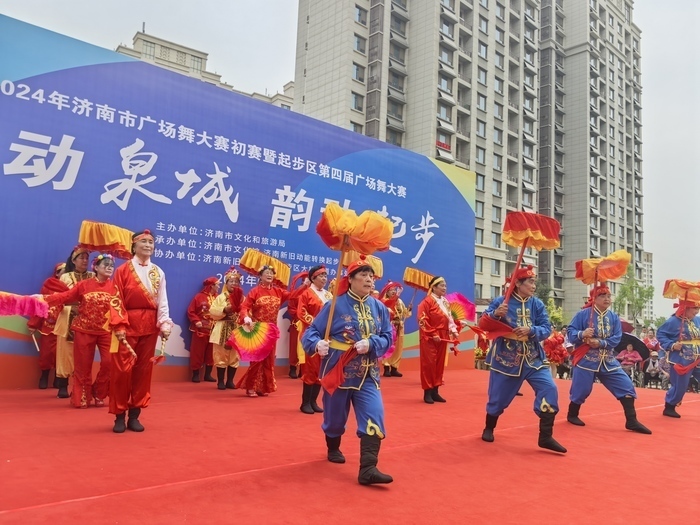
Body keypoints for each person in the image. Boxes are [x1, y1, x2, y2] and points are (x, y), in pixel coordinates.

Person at [301, 256, 394, 485]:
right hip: (339, 371)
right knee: (334, 421)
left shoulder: (379, 308)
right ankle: (333, 447)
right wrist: (317, 344)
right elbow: (311, 332)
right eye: (363, 275)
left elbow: (387, 336)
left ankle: (368, 468)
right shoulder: (334, 305)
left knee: (374, 414)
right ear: (350, 279)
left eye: (371, 276)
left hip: (368, 373)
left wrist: (372, 343)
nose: (369, 279)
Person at [479, 266, 566, 453]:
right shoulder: (501, 301)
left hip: (533, 357)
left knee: (549, 388)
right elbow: (483, 324)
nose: (534, 286)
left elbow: (546, 328)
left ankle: (545, 436)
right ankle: (489, 427)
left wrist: (531, 330)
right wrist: (495, 315)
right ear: (518, 283)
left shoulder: (537, 304)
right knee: (498, 400)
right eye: (530, 282)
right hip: (507, 357)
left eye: (534, 282)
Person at [43, 254, 128, 408]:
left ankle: (99, 392)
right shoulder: (84, 285)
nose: (109, 268)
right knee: (83, 366)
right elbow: (66, 296)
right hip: (84, 330)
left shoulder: (115, 288)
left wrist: (121, 327)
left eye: (111, 265)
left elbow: (120, 309)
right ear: (96, 267)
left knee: (109, 363)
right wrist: (44, 300)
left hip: (106, 331)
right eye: (105, 265)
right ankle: (82, 396)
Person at [566, 284, 651, 434]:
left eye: (608, 296)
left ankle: (631, 420)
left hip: (608, 360)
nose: (607, 299)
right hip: (587, 359)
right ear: (594, 298)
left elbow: (617, 337)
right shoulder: (583, 314)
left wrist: (601, 343)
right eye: (602, 296)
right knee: (582, 390)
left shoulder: (613, 317)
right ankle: (572, 414)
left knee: (626, 385)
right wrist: (582, 334)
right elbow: (570, 332)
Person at [111, 230, 172, 433]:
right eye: (143, 241)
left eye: (151, 242)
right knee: (122, 371)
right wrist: (119, 325)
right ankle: (119, 415)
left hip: (149, 326)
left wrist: (164, 322)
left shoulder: (158, 272)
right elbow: (116, 299)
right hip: (127, 325)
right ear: (134, 246)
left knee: (143, 371)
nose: (148, 245)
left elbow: (162, 300)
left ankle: (135, 414)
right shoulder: (122, 270)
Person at [237, 265, 289, 397]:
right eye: (266, 273)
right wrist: (246, 317)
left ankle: (263, 387)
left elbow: (293, 296)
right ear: (260, 276)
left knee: (268, 360)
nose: (269, 275)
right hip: (258, 330)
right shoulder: (255, 291)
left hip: (271, 330)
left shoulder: (278, 291)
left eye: (271, 273)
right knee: (256, 359)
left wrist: (305, 286)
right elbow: (244, 307)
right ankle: (251, 386)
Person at [54, 247, 95, 398]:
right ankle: (63, 385)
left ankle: (80, 387)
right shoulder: (65, 277)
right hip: (67, 317)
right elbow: (59, 298)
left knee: (84, 353)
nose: (84, 261)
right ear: (73, 260)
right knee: (65, 353)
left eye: (86, 258)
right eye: (81, 258)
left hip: (87, 318)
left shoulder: (93, 276)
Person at [296, 265, 332, 414]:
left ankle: (314, 401)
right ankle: (305, 403)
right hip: (311, 336)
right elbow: (301, 313)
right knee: (310, 368)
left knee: (321, 369)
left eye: (325, 275)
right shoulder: (306, 294)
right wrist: (318, 323)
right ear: (313, 278)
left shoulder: (329, 295)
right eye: (321, 276)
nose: (324, 278)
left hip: (326, 337)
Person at [417, 276, 458, 404]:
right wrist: (433, 333)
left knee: (439, 364)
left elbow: (449, 318)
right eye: (442, 285)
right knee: (429, 364)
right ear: (434, 287)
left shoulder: (445, 301)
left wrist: (453, 330)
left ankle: (435, 391)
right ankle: (427, 392)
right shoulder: (426, 302)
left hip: (443, 336)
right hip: (429, 336)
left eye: (445, 285)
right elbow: (422, 320)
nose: (444, 288)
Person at [656, 300, 700, 418]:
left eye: (698, 308)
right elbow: (660, 334)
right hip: (682, 359)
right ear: (686, 308)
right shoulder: (673, 321)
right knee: (681, 385)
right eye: (694, 308)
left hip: (698, 357)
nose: (697, 311)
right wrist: (672, 345)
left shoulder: (697, 320)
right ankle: (669, 406)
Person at [27, 262, 67, 389]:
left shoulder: (72, 287)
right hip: (49, 326)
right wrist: (33, 324)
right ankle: (44, 376)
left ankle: (58, 379)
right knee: (46, 353)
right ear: (57, 273)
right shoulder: (48, 286)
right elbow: (41, 305)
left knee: (61, 355)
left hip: (64, 326)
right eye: (63, 272)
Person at [209, 267, 244, 390]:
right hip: (222, 328)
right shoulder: (220, 297)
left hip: (236, 329)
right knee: (220, 355)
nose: (234, 284)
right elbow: (212, 311)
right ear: (226, 283)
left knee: (235, 356)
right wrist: (224, 310)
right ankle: (220, 381)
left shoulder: (242, 298)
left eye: (236, 282)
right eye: (231, 281)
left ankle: (230, 381)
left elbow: (247, 312)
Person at [187, 276, 220, 383]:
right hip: (200, 329)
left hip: (214, 330)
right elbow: (191, 311)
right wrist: (196, 320)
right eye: (217, 285)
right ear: (211, 286)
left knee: (211, 352)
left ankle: (208, 374)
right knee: (197, 352)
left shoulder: (219, 298)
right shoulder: (199, 297)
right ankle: (195, 374)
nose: (219, 287)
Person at [380, 281, 411, 378]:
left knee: (398, 347)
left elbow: (405, 314)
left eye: (394, 290)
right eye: (391, 290)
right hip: (389, 326)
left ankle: (394, 368)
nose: (393, 292)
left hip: (399, 326)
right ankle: (386, 368)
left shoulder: (400, 301)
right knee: (389, 346)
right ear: (387, 292)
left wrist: (409, 309)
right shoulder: (384, 301)